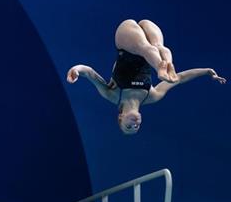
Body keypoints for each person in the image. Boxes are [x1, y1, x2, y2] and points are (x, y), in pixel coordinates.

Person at [67, 19, 225, 134]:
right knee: (158, 49)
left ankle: (162, 68)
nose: (135, 124)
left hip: (126, 39)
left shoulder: (113, 95)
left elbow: (89, 73)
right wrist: (206, 71)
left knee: (146, 49)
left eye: (129, 126)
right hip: (150, 48)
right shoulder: (152, 96)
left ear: (120, 118)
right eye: (137, 127)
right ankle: (165, 66)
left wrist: (76, 70)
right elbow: (181, 78)